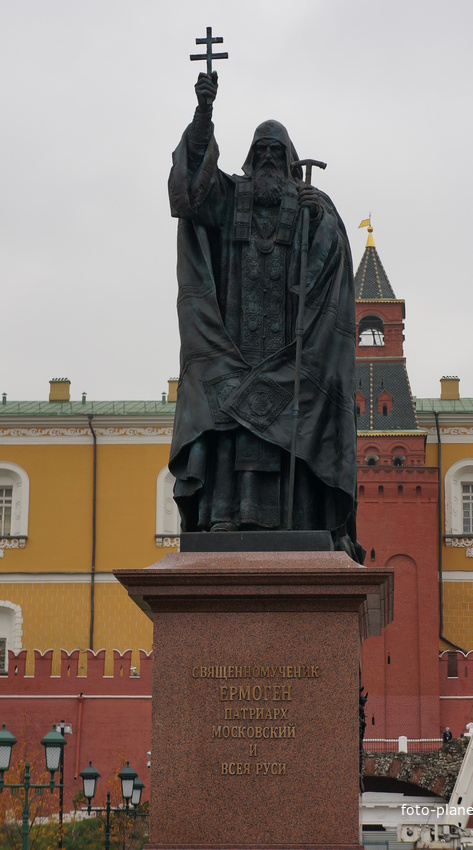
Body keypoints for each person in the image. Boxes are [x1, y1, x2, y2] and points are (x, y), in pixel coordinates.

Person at [167, 72, 362, 559]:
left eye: (279, 154)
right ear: (251, 160)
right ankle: (223, 514)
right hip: (234, 344)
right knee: (230, 416)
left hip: (294, 349)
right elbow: (190, 197)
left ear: (291, 162)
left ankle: (298, 519)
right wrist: (203, 116)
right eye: (262, 153)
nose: (270, 161)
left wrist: (325, 219)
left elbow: (336, 264)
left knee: (295, 419)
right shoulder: (232, 199)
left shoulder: (311, 205)